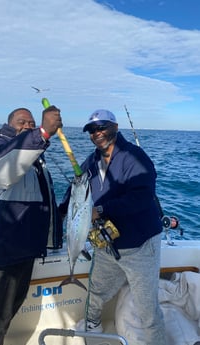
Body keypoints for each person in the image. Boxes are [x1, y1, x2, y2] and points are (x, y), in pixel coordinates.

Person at [60, 109, 166, 345]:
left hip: (140, 246)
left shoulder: (135, 157)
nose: (97, 133)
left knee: (147, 309)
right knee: (95, 294)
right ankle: (93, 327)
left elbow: (142, 196)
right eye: (92, 130)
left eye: (102, 127)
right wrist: (60, 212)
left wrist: (101, 210)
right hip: (107, 244)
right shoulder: (91, 161)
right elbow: (76, 191)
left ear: (116, 127)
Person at [0, 106, 63, 345]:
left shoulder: (33, 156)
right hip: (2, 252)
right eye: (22, 122)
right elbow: (1, 171)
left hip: (24, 249)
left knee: (10, 310)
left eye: (31, 123)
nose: (27, 126)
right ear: (9, 124)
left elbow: (41, 202)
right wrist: (42, 132)